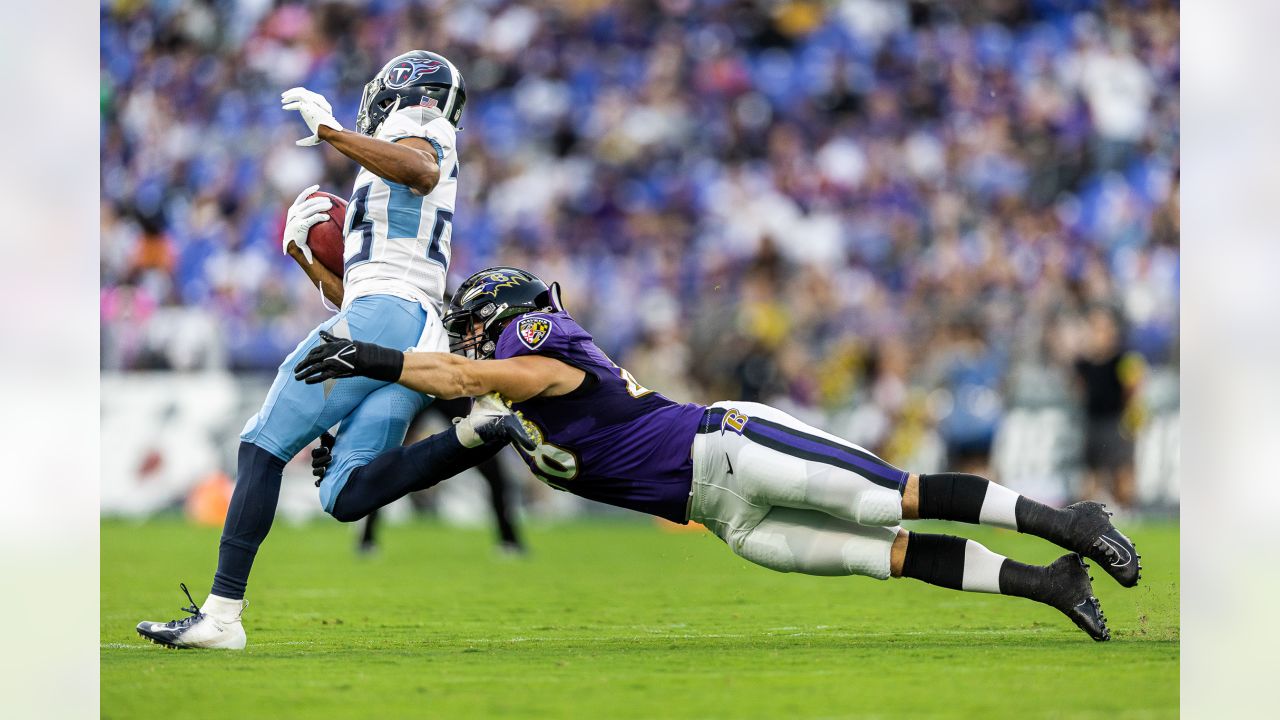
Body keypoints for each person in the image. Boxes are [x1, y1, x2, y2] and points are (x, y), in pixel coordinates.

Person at [293, 268, 1143, 642]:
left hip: (728, 448)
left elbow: (461, 369)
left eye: (477, 324)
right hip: (723, 518)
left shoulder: (537, 353)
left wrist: (368, 356)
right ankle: (1050, 583)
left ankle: (1069, 521)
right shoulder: (498, 390)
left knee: (890, 496)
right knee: (877, 557)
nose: (468, 339)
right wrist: (349, 433)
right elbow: (440, 407)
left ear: (512, 315)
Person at [136, 52, 527, 650]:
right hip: (408, 322)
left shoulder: (421, 124)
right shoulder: (405, 150)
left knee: (261, 445)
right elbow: (359, 294)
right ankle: (478, 433)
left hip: (388, 315)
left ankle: (221, 616)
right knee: (345, 492)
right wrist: (304, 256)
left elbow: (419, 173)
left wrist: (330, 132)